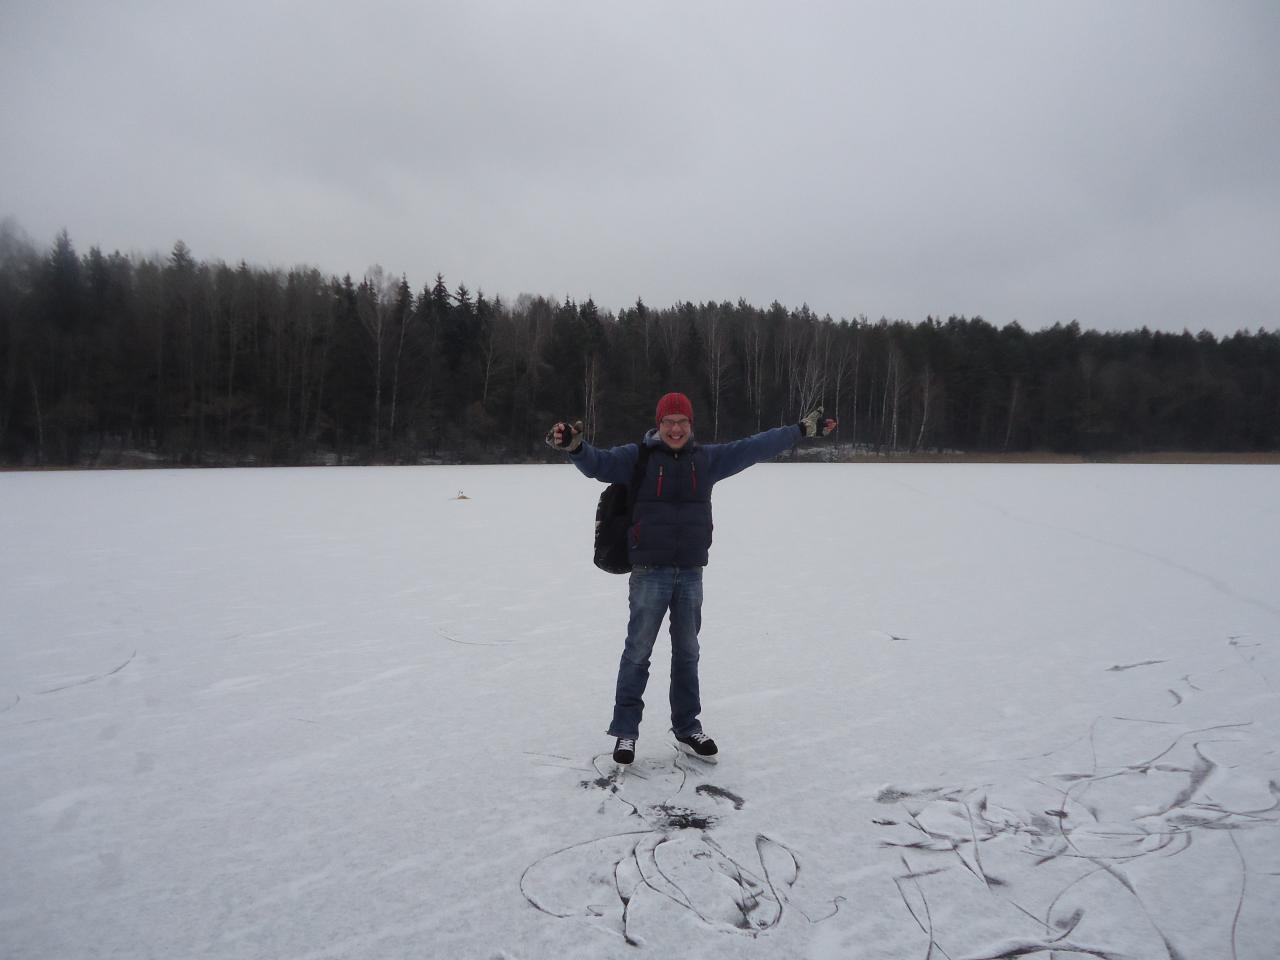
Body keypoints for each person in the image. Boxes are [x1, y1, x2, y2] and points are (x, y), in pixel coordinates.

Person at [548, 392, 837, 765]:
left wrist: (801, 429)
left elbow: (755, 446)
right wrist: (575, 447)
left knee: (687, 653)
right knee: (637, 652)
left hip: (690, 573)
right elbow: (598, 464)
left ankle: (687, 728)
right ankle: (625, 732)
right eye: (668, 422)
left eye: (682, 421)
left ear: (690, 424)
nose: (675, 429)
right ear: (658, 425)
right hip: (649, 573)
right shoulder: (637, 457)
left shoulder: (707, 459)